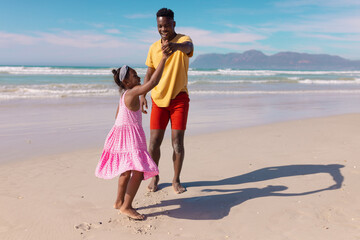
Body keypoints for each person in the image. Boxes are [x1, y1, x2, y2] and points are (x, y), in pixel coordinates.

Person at [95, 49, 169, 220]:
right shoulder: (133, 92)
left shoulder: (124, 95)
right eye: (135, 75)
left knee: (125, 171)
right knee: (138, 171)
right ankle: (126, 207)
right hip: (131, 137)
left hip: (119, 135)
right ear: (127, 82)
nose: (139, 77)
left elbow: (117, 116)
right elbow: (152, 83)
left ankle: (119, 201)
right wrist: (163, 59)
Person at [141, 8, 194, 194]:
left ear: (174, 24)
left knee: (177, 143)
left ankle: (176, 179)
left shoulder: (183, 40)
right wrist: (142, 95)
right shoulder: (153, 47)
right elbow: (149, 73)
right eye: (160, 26)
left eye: (166, 25)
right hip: (158, 100)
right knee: (153, 143)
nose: (163, 29)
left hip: (179, 99)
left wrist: (176, 47)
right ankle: (155, 176)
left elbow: (188, 47)